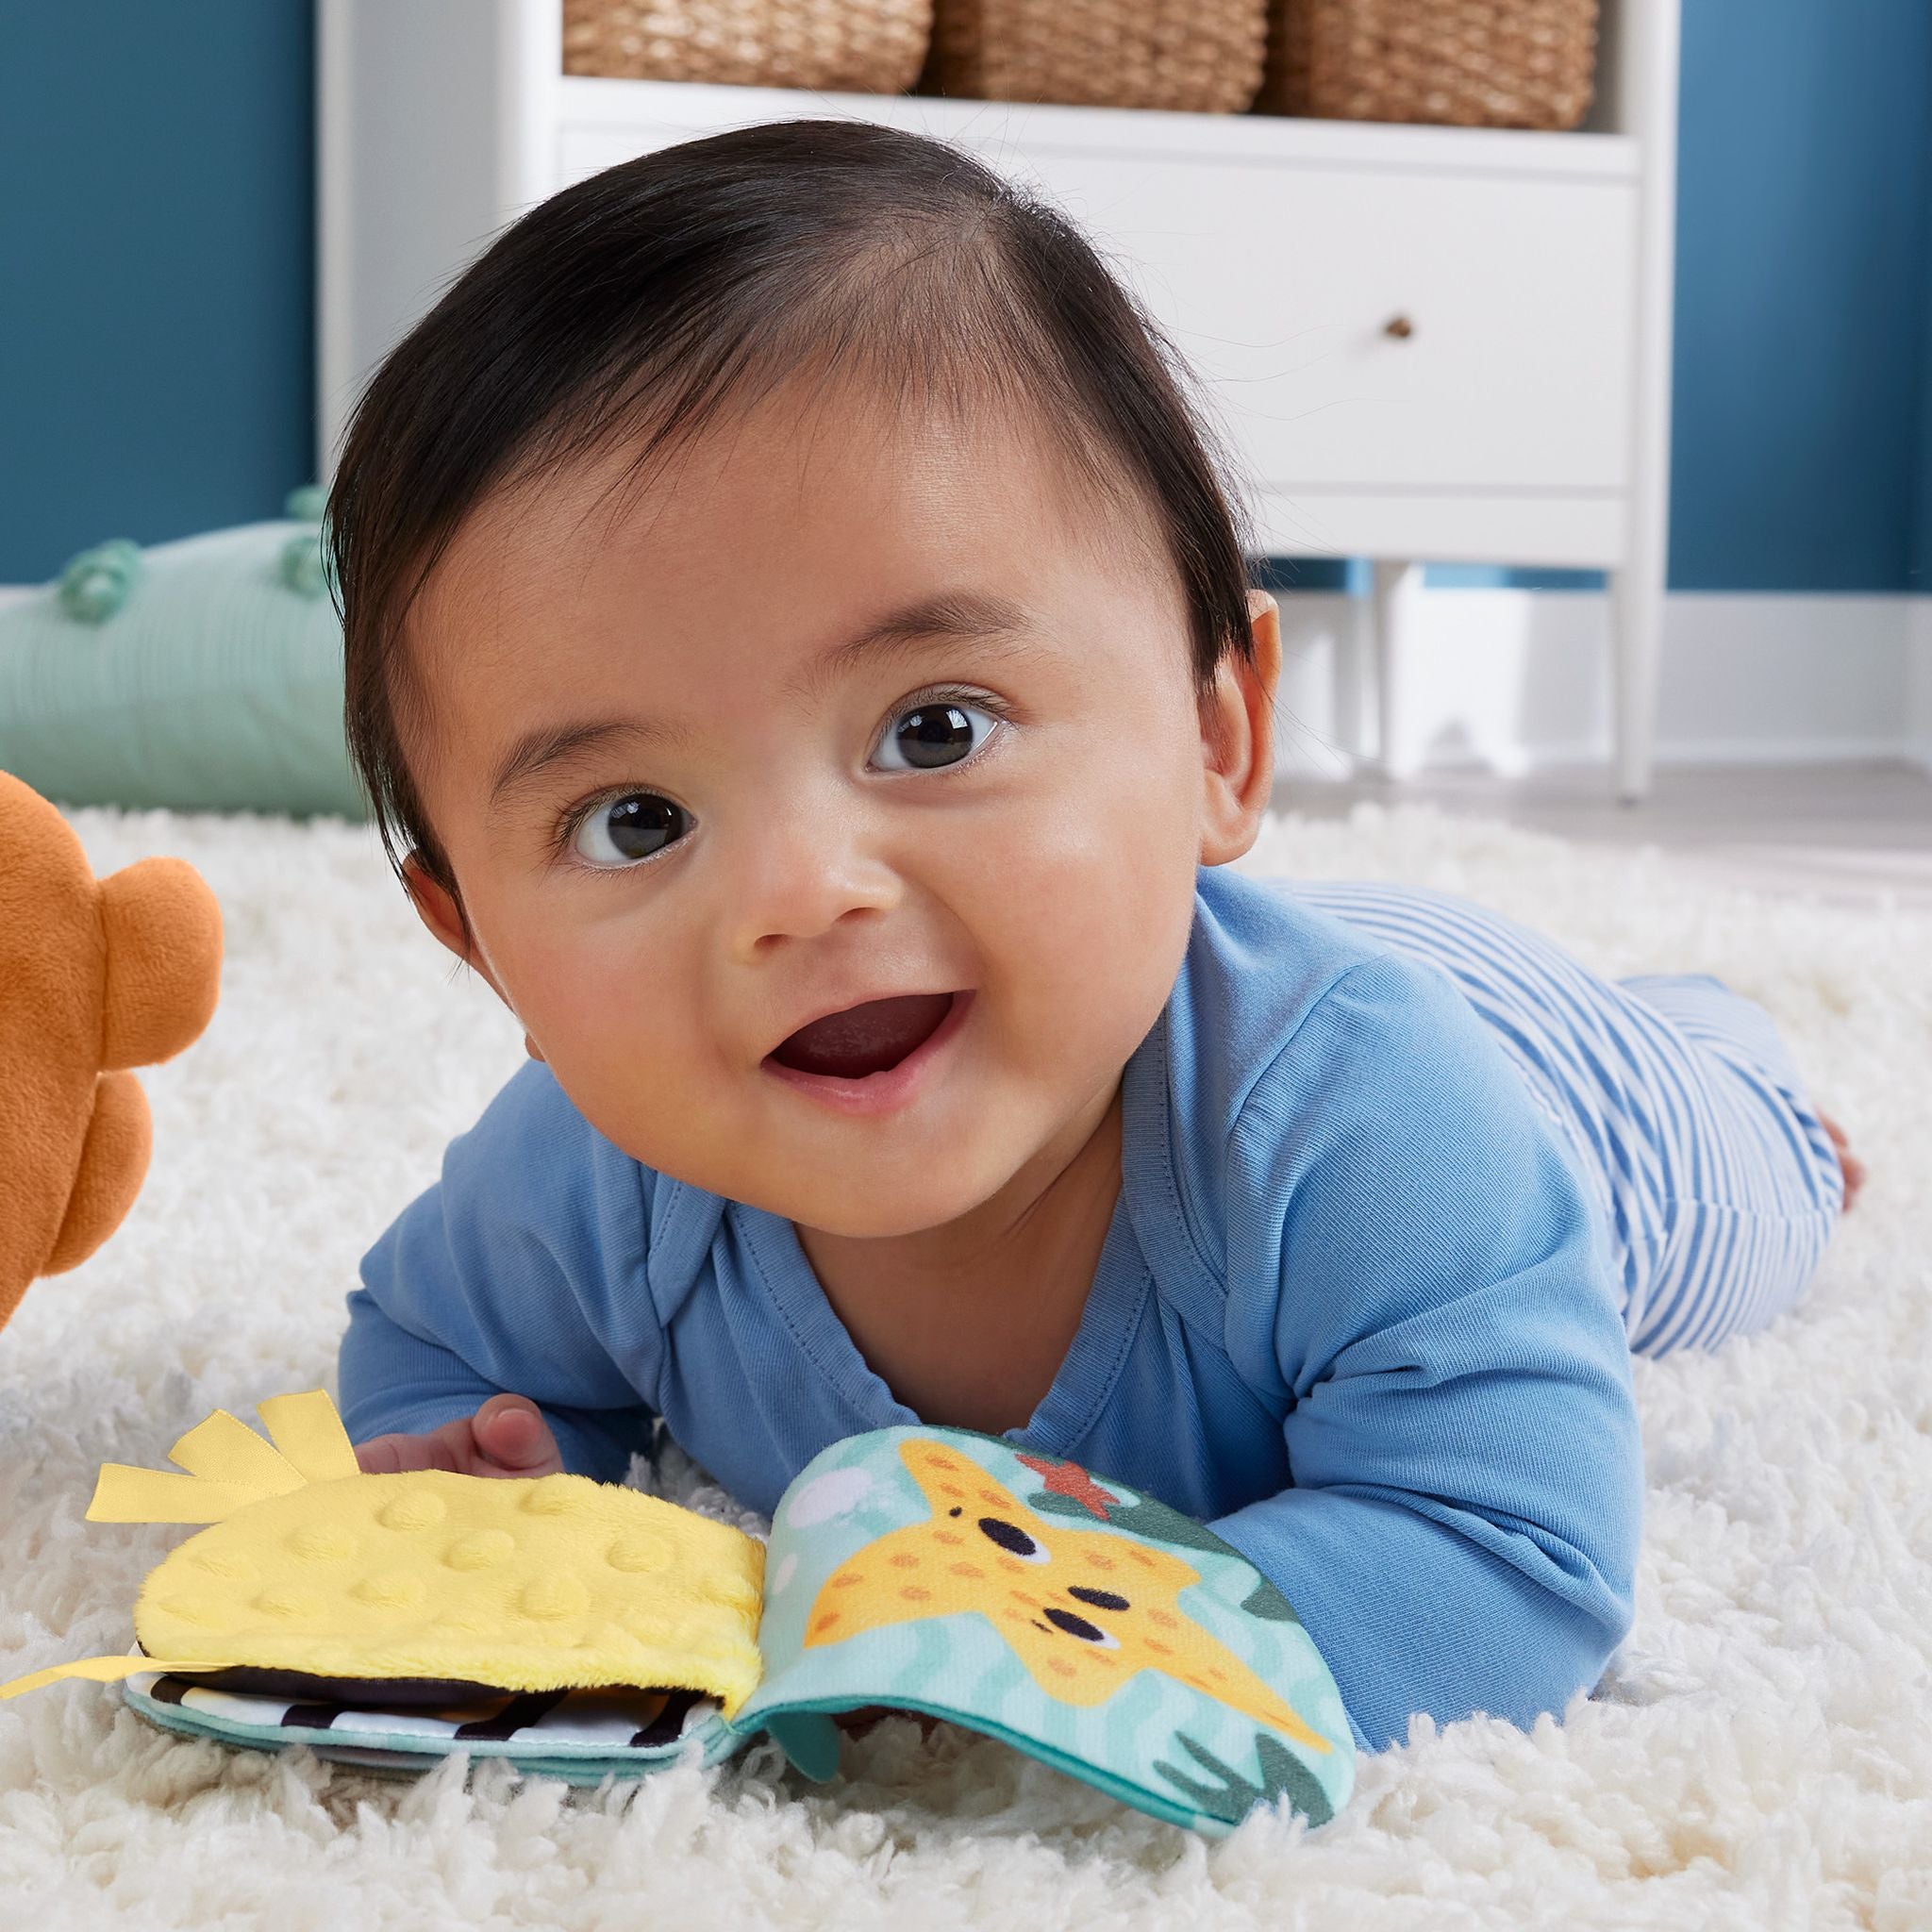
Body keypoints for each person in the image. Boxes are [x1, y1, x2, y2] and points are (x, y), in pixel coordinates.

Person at [328, 122, 1856, 1754]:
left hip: (1531, 1057)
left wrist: (1064, 1640)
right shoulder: (587, 1185)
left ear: (1217, 745)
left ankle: (1734, 1061)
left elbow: (1511, 1554)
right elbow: (427, 1346)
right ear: (478, 944)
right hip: (1204, 965)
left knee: (1751, 1187)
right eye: (635, 819)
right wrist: (514, 1469)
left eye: (934, 729)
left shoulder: (1378, 1134)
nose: (801, 891)